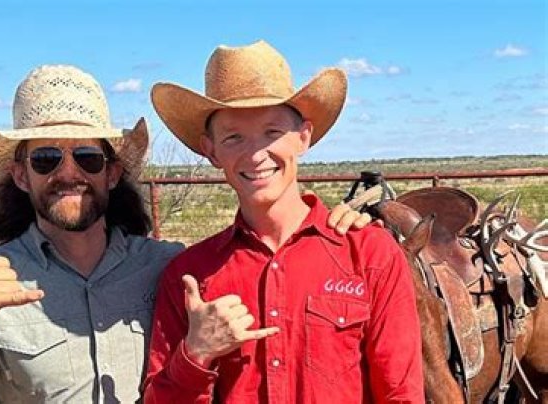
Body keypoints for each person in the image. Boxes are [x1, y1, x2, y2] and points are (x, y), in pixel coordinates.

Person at [0, 64, 370, 402]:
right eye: (46, 158)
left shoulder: (171, 270)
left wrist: (338, 231)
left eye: (87, 157)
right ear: (21, 175)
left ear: (112, 173)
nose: (68, 173)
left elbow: (268, 271)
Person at [143, 40, 424, 403]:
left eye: (272, 132)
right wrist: (196, 354)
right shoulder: (189, 277)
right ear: (210, 151)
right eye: (234, 137)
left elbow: (401, 394)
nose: (256, 154)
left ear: (303, 137)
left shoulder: (370, 254)